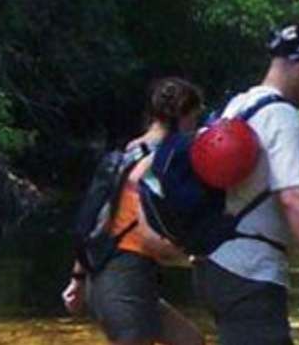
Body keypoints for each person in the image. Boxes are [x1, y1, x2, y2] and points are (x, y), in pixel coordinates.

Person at [196, 23, 299, 345]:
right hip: (250, 270)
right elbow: (295, 199)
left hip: (213, 264)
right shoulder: (283, 117)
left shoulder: (237, 107)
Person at [64, 76, 208, 345]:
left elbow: (92, 221)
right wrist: (196, 259)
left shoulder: (131, 152)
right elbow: (145, 236)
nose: (195, 126)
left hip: (121, 278)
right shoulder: (160, 163)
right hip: (123, 280)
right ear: (183, 117)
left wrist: (78, 278)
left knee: (190, 340)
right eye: (195, 117)